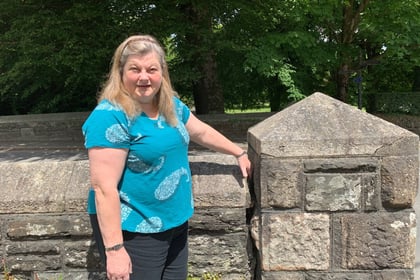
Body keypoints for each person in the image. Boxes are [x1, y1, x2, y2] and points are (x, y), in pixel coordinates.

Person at [82, 34, 251, 280]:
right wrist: (115, 250)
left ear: (162, 72)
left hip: (174, 221)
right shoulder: (110, 116)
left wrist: (239, 152)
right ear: (121, 72)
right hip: (135, 230)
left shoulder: (168, 104)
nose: (144, 77)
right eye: (135, 69)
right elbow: (103, 188)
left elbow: (200, 131)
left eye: (152, 69)